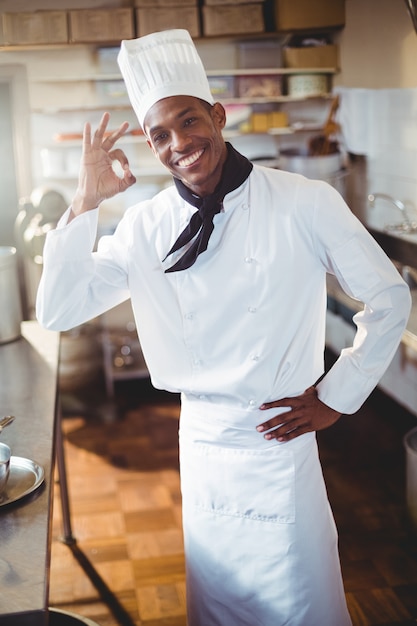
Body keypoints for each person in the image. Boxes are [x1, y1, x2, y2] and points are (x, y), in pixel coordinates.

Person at [36, 29, 411, 626]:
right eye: (160, 134)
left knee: (298, 601)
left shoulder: (303, 201)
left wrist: (339, 397)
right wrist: (87, 199)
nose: (179, 143)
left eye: (189, 121)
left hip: (279, 439)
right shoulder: (145, 226)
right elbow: (57, 310)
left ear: (217, 113)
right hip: (204, 444)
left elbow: (389, 297)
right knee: (219, 604)